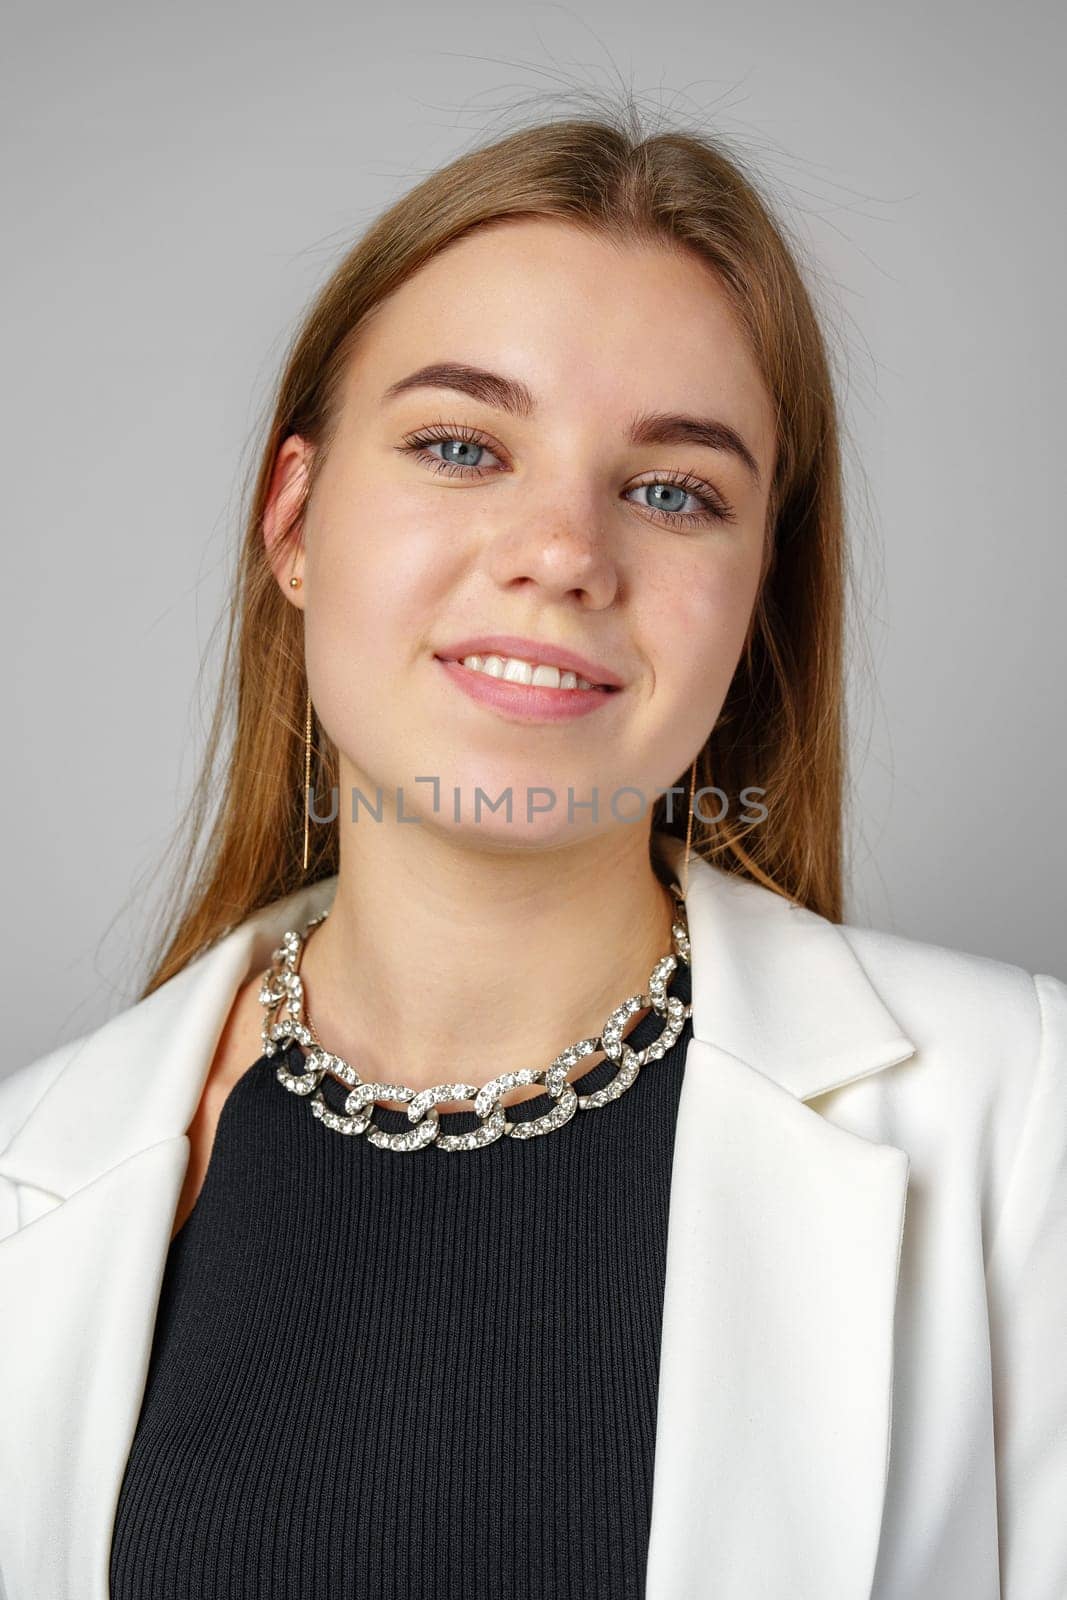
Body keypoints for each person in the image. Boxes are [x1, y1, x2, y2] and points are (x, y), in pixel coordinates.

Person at [0, 104, 1063, 1600]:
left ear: (759, 594)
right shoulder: (27, 1186)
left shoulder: (1026, 1127)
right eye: (459, 444)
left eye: (675, 489)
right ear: (294, 520)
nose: (563, 547)